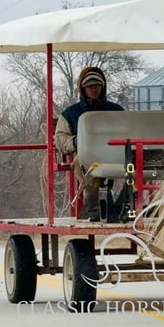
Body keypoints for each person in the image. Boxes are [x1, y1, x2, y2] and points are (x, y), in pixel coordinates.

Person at [55, 66, 124, 221]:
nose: (94, 89)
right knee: (82, 162)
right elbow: (60, 139)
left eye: (98, 85)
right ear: (83, 88)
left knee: (139, 166)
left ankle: (123, 207)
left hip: (115, 155)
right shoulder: (70, 114)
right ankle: (94, 209)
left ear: (103, 86)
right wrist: (76, 142)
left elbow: (130, 132)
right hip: (86, 158)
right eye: (90, 86)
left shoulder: (116, 111)